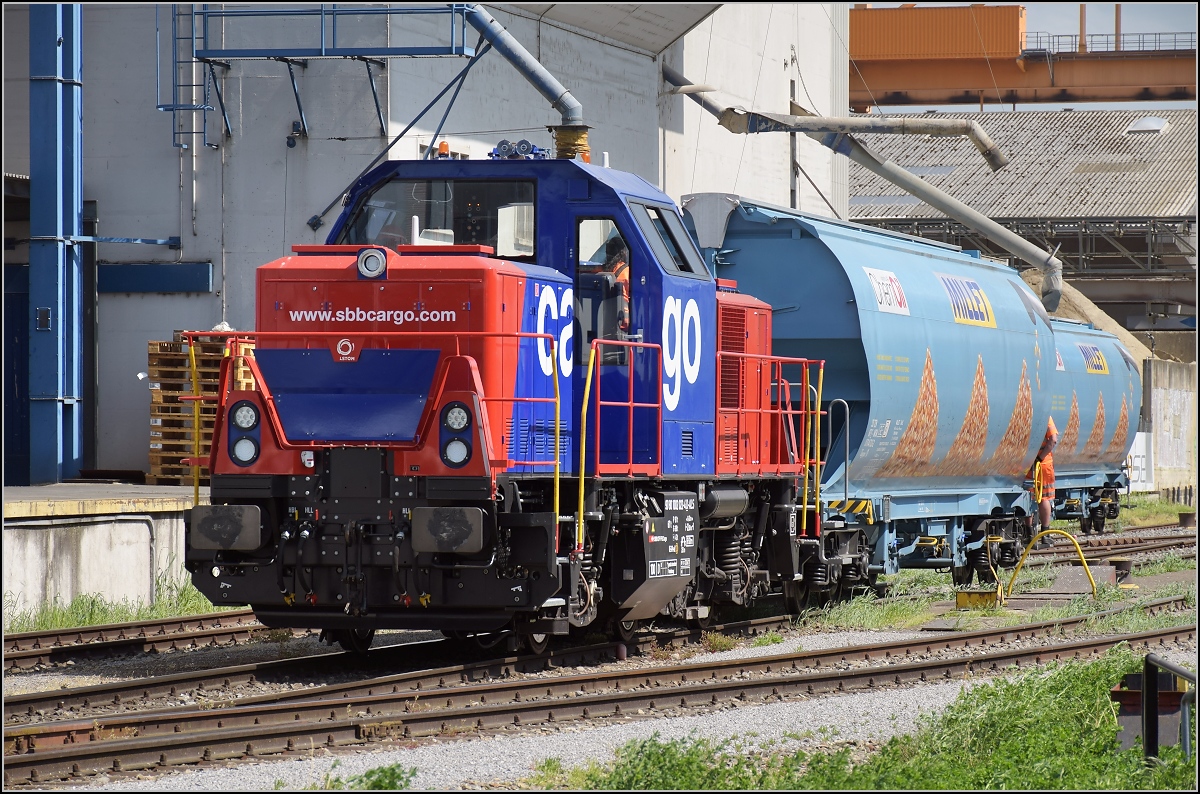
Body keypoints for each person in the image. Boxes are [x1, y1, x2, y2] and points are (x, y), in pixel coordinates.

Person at [1027, 415, 1058, 545]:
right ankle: (1045, 533)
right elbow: (1053, 440)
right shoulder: (1046, 418)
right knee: (1044, 498)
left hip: (1027, 462)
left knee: (1027, 497)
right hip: (1043, 464)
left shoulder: (1027, 415)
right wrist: (1040, 458)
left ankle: (1029, 535)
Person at [603, 236, 631, 331]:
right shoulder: (627, 272)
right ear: (623, 252)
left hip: (607, 318)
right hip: (624, 321)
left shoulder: (605, 270)